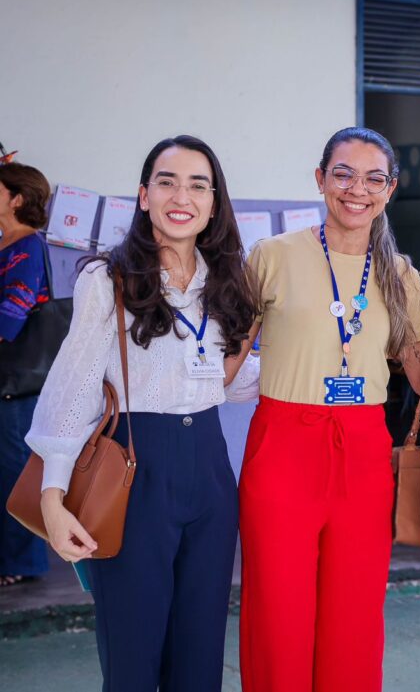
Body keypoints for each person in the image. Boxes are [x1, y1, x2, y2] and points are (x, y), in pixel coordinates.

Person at [26, 135, 259, 691]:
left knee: (200, 651)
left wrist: (256, 343)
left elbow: (228, 386)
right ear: (144, 195)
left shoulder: (226, 281)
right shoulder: (107, 279)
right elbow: (75, 387)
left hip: (210, 470)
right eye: (168, 181)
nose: (183, 196)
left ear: (214, 201)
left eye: (198, 185)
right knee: (133, 652)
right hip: (134, 467)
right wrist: (52, 498)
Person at [238, 127, 420, 692]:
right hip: (282, 444)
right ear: (320, 179)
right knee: (278, 609)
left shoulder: (399, 274)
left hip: (364, 449)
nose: (358, 190)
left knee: (354, 609)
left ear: (391, 190)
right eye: (343, 173)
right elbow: (224, 357)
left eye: (375, 178)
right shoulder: (272, 256)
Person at [0, 162, 52, 587]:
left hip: (17, 381)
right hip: (8, 379)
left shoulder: (28, 247)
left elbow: (11, 318)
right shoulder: (6, 246)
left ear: (16, 199)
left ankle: (22, 561)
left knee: (14, 467)